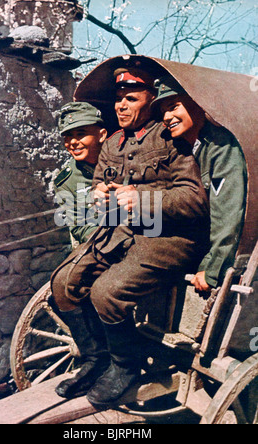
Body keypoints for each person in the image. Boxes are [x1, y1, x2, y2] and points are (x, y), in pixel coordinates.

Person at [50, 63, 210, 406]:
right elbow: (98, 182)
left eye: (131, 98)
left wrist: (143, 199)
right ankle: (98, 358)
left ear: (149, 100)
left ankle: (126, 364)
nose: (121, 106)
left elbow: (195, 199)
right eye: (118, 99)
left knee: (106, 292)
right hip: (121, 230)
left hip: (167, 238)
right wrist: (99, 193)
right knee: (63, 284)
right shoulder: (114, 143)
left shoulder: (169, 139)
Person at [153, 75, 247, 291]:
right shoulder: (185, 148)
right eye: (163, 112)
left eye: (174, 107)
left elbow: (228, 213)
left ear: (197, 103)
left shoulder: (220, 148)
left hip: (223, 257)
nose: (167, 117)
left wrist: (213, 270)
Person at [53, 102, 107, 244]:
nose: (73, 142)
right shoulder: (67, 183)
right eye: (68, 136)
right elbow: (80, 227)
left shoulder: (122, 160)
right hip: (103, 242)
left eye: (81, 134)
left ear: (101, 135)